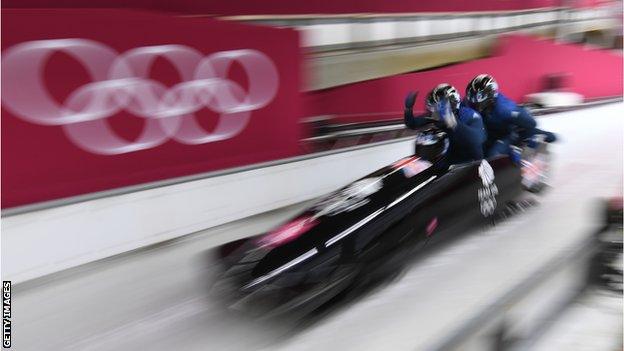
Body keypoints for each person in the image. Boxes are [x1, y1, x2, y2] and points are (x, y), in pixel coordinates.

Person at [465, 74, 556, 159]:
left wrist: (519, 139)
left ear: (490, 94)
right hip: (491, 133)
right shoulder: (468, 104)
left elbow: (531, 123)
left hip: (508, 133)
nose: (473, 100)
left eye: (478, 96)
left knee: (493, 154)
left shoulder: (504, 109)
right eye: (471, 96)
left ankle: (535, 137)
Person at [404, 83, 486, 165]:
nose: (435, 114)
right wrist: (408, 109)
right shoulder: (435, 115)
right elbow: (413, 124)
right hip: (449, 153)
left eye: (439, 110)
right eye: (433, 109)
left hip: (470, 158)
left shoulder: (470, 115)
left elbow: (477, 139)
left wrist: (454, 124)